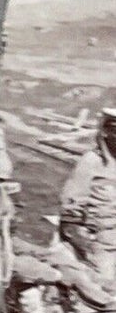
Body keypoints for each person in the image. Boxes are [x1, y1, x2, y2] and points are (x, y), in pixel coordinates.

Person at [48, 216, 116, 313]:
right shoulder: (61, 257)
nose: (93, 237)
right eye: (89, 231)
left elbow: (101, 282)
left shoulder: (74, 254)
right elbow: (98, 299)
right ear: (68, 231)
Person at [60, 107, 116, 280]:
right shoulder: (91, 162)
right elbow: (70, 217)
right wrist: (88, 251)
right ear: (106, 131)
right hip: (101, 247)